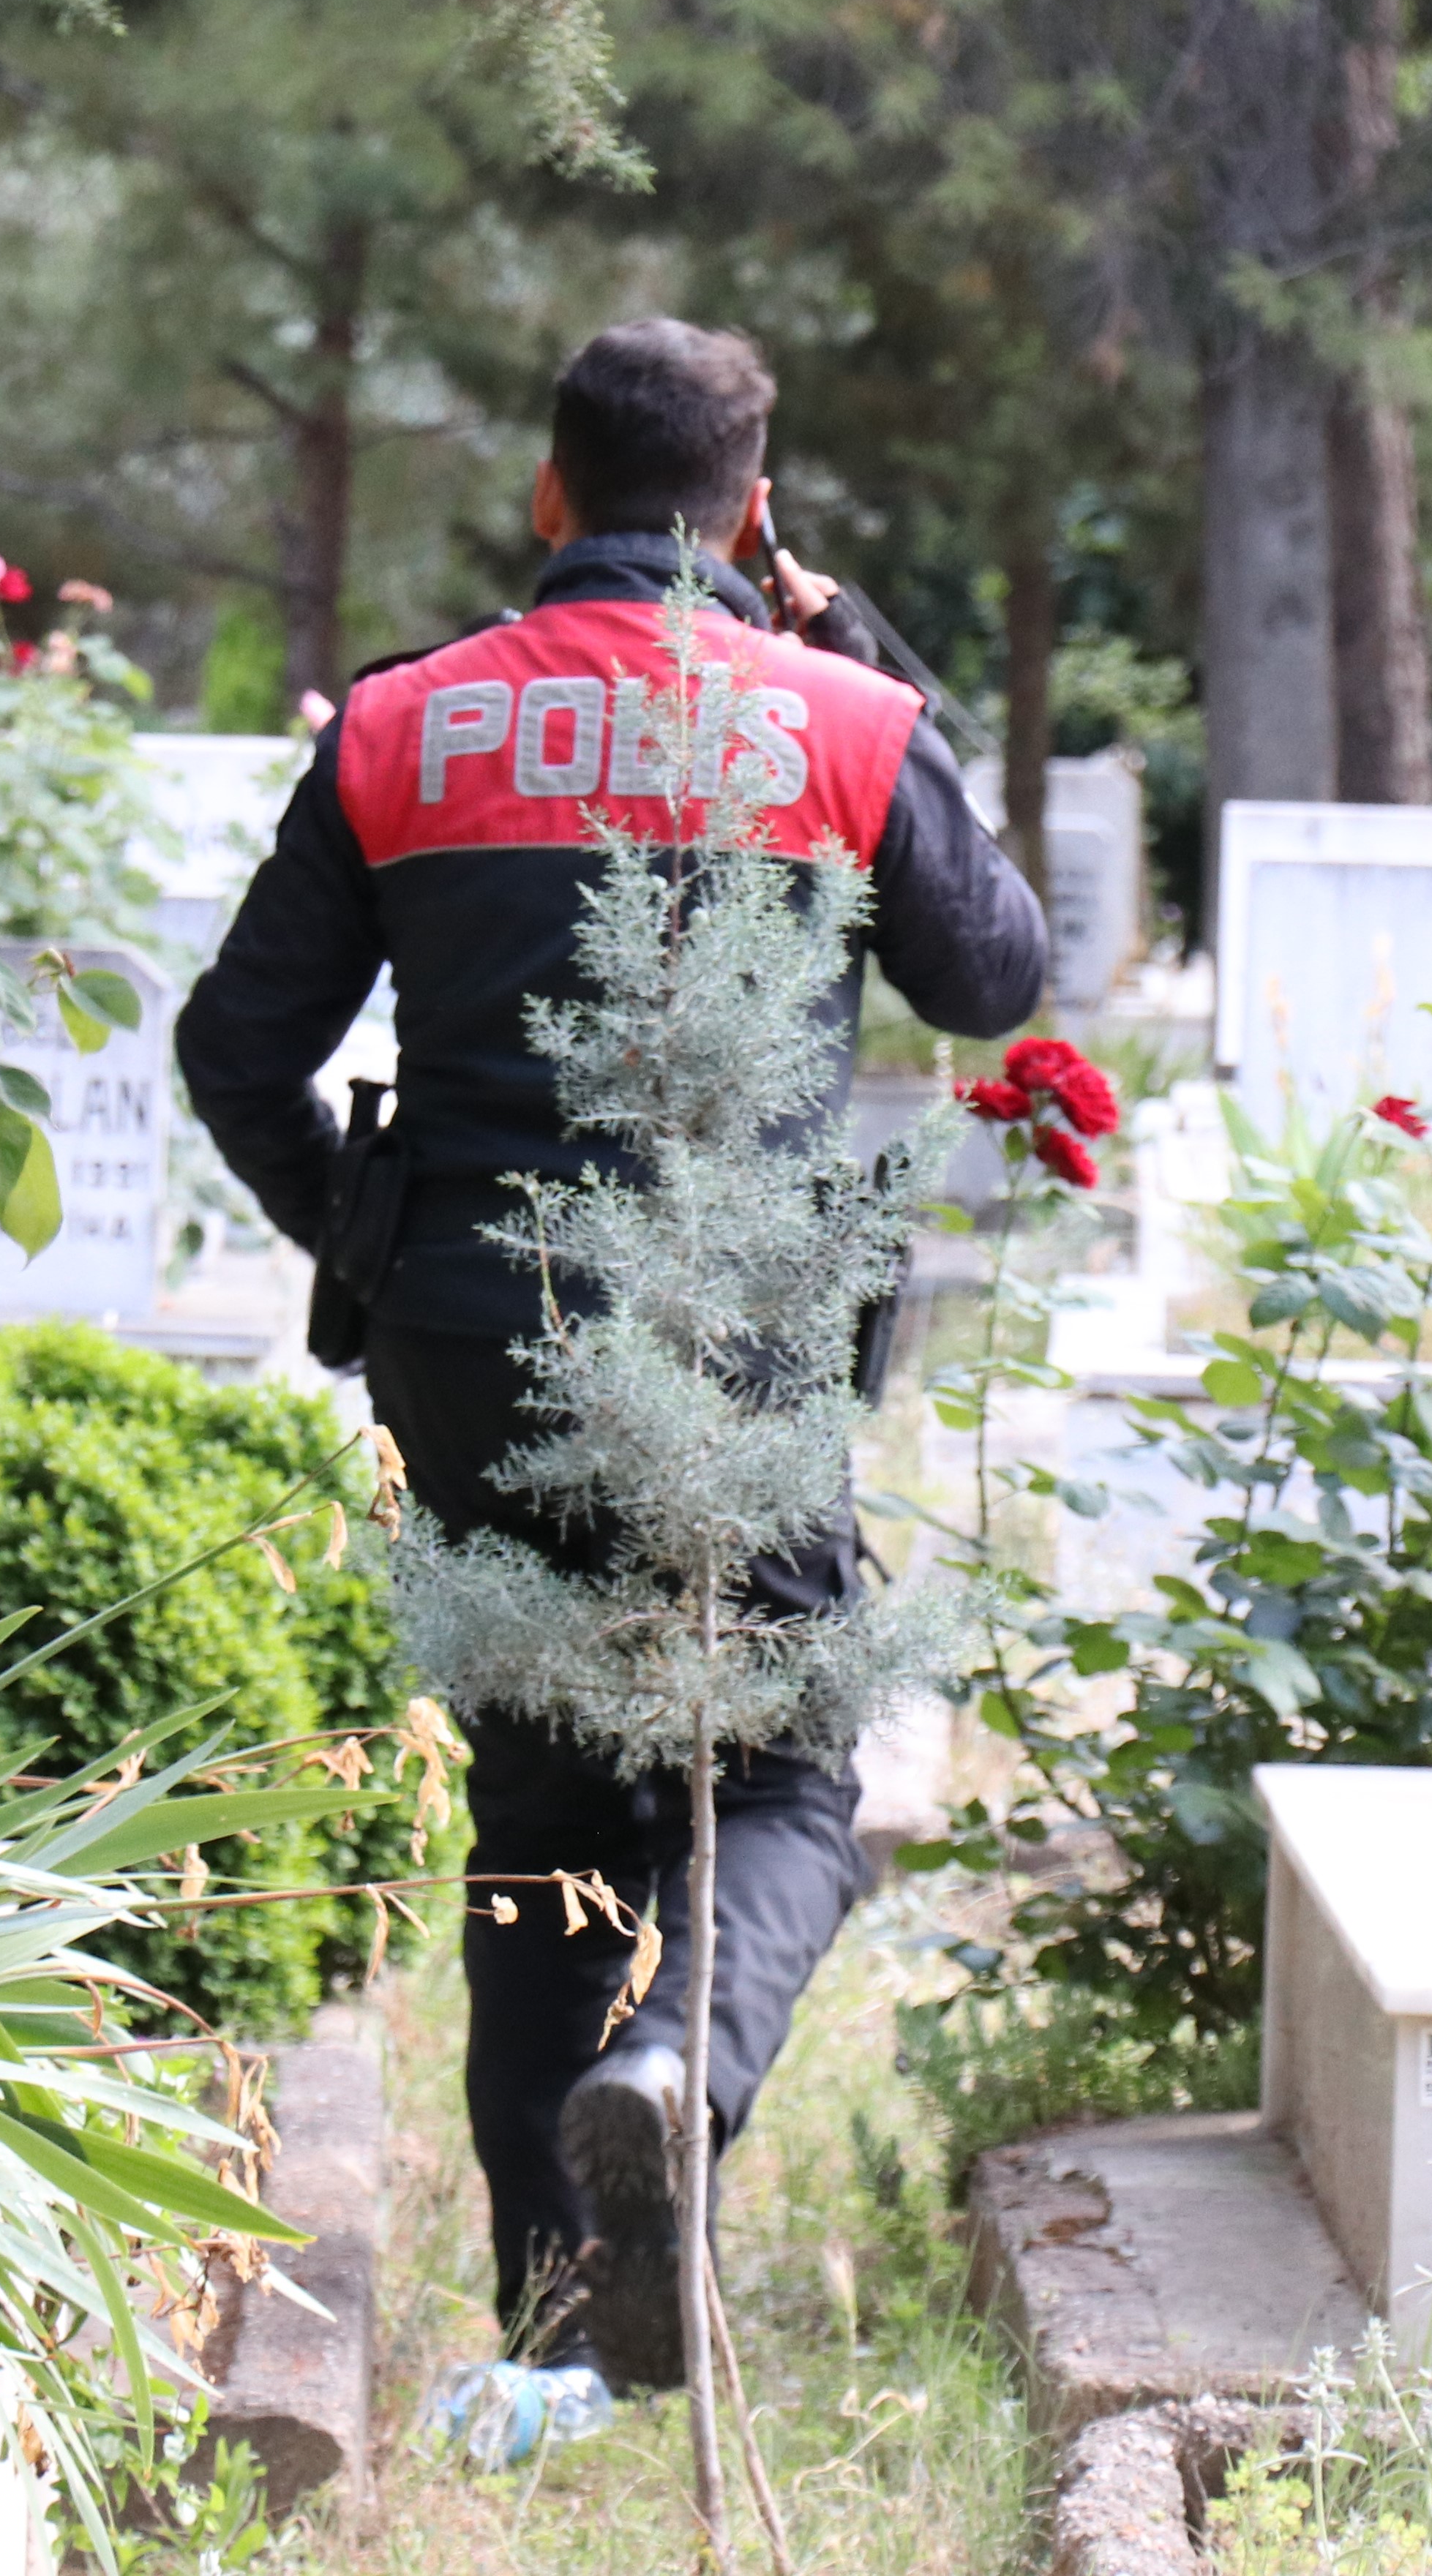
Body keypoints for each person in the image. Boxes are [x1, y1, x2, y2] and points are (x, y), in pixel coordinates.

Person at [173, 319, 1049, 2424]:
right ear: (753, 511)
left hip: (475, 1344)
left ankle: (562, 2342)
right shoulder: (840, 719)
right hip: (739, 1350)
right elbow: (995, 977)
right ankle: (677, 2068)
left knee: (543, 1812)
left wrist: (376, 1256)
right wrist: (873, 647)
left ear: (549, 495)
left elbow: (236, 1051)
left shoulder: (404, 726)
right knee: (790, 1781)